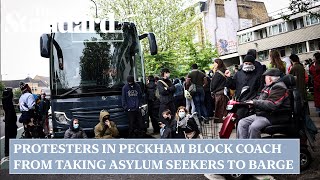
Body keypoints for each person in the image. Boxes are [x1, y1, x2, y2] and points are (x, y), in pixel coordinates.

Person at [237, 68, 290, 139]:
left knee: (254, 127)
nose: (264, 79)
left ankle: (255, 147)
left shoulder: (279, 87)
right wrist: (250, 103)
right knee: (242, 123)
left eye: (266, 78)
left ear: (270, 79)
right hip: (264, 114)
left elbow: (272, 104)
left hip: (274, 116)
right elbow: (260, 98)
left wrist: (254, 102)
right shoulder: (268, 87)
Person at [225, 54, 265, 120]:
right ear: (243, 63)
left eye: (250, 64)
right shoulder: (239, 74)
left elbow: (260, 90)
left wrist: (255, 101)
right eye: (246, 63)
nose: (247, 65)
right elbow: (233, 86)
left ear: (253, 64)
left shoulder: (258, 75)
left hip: (252, 104)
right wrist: (228, 78)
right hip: (240, 103)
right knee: (240, 122)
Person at [210, 58, 228, 123]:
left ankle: (224, 126)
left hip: (219, 94)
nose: (214, 64)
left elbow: (213, 85)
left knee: (221, 111)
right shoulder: (225, 71)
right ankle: (228, 122)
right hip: (226, 93)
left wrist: (212, 91)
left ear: (218, 64)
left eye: (215, 63)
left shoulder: (217, 73)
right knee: (225, 109)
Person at [2, 88, 17, 159]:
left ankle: (7, 152)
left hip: (8, 123)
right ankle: (10, 152)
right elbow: (11, 114)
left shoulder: (4, 101)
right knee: (12, 137)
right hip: (11, 123)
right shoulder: (9, 104)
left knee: (8, 138)